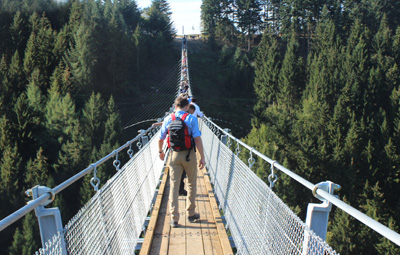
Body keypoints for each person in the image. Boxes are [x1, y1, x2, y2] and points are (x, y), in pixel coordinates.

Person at [158, 95, 205, 228]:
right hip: (189, 155)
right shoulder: (191, 118)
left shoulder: (168, 119)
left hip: (174, 155)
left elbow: (161, 138)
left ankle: (174, 219)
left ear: (175, 107)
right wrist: (202, 156)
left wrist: (160, 152)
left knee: (174, 185)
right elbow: (197, 139)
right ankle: (190, 214)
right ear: (186, 107)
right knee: (191, 183)